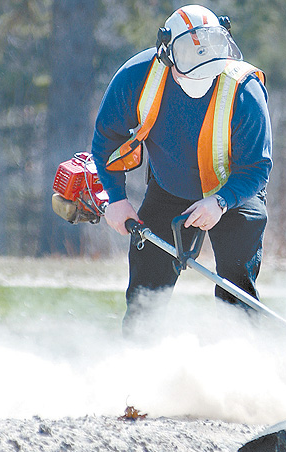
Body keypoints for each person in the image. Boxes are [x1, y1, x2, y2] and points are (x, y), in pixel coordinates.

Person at [92, 5, 272, 334]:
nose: (201, 77)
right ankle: (136, 366)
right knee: (146, 291)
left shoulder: (245, 90)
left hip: (235, 192)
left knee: (237, 287)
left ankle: (244, 366)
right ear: (167, 54)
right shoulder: (137, 77)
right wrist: (115, 199)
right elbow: (107, 139)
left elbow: (257, 166)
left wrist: (219, 202)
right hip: (169, 188)